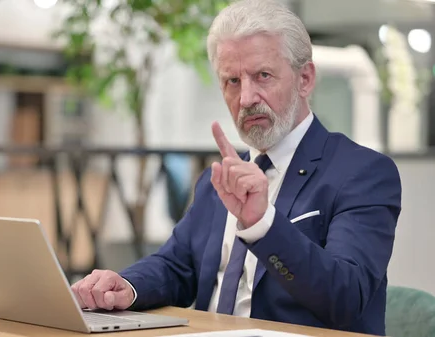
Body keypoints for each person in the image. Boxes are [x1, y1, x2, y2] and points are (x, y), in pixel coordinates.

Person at [70, 0, 402, 335]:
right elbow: (178, 265)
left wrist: (263, 224)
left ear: (305, 79)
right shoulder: (221, 178)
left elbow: (347, 296)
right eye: (232, 81)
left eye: (263, 76)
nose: (246, 98)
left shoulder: (363, 173)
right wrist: (127, 286)